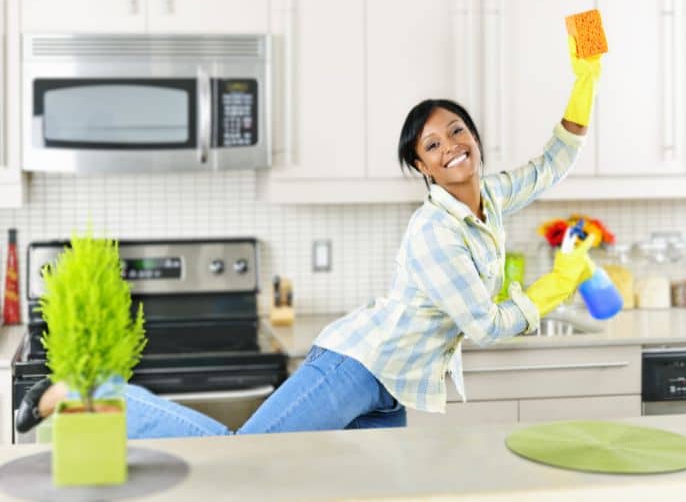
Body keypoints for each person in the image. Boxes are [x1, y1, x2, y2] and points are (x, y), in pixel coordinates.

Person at [17, 37, 602, 439]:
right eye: (431, 144)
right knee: (249, 455)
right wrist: (558, 283)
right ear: (422, 168)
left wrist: (585, 80)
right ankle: (85, 396)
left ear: (474, 136)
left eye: (456, 130)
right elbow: (484, 326)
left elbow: (554, 160)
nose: (450, 144)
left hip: (392, 387)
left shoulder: (492, 195)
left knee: (354, 488)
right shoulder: (434, 233)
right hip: (354, 367)